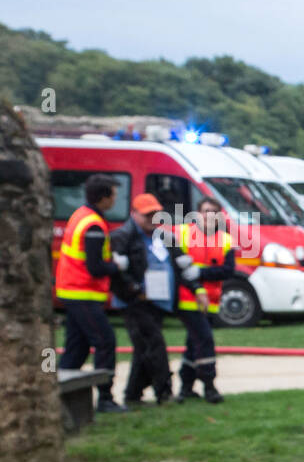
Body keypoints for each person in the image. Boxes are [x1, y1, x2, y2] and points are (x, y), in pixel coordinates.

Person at [56, 173, 128, 413]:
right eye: (114, 195)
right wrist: (117, 265)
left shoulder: (81, 215)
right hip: (82, 292)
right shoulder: (94, 225)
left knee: (77, 348)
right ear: (104, 197)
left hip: (72, 290)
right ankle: (105, 399)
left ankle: (57, 396)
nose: (115, 199)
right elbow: (96, 267)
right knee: (105, 341)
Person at [110, 193, 174, 405]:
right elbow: (118, 272)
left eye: (155, 214)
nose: (152, 218)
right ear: (134, 214)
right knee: (154, 344)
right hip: (134, 301)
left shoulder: (162, 236)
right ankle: (164, 391)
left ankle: (133, 394)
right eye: (147, 215)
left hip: (157, 300)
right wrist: (135, 290)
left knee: (143, 348)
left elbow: (177, 259)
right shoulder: (122, 236)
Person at [173, 198, 235, 404]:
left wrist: (200, 272)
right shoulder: (182, 233)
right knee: (205, 341)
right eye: (205, 211)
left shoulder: (225, 240)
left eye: (213, 212)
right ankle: (209, 386)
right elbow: (176, 265)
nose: (209, 216)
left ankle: (186, 388)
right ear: (197, 214)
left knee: (193, 345)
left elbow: (228, 271)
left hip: (212, 302)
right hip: (187, 300)